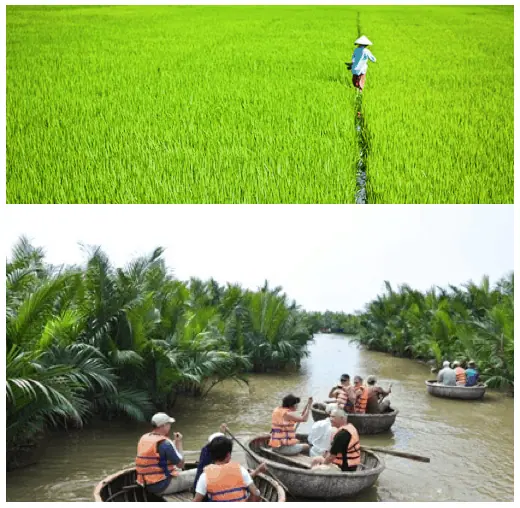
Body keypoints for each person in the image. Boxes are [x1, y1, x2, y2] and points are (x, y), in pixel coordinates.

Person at [135, 412, 196, 495]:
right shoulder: (165, 443)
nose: (170, 426)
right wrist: (179, 442)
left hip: (146, 484)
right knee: (203, 473)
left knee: (177, 469)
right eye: (169, 424)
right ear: (163, 425)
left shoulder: (144, 437)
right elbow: (181, 464)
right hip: (162, 485)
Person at [193, 436, 263, 502]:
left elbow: (196, 501)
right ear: (228, 455)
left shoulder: (205, 476)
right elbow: (256, 494)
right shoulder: (240, 470)